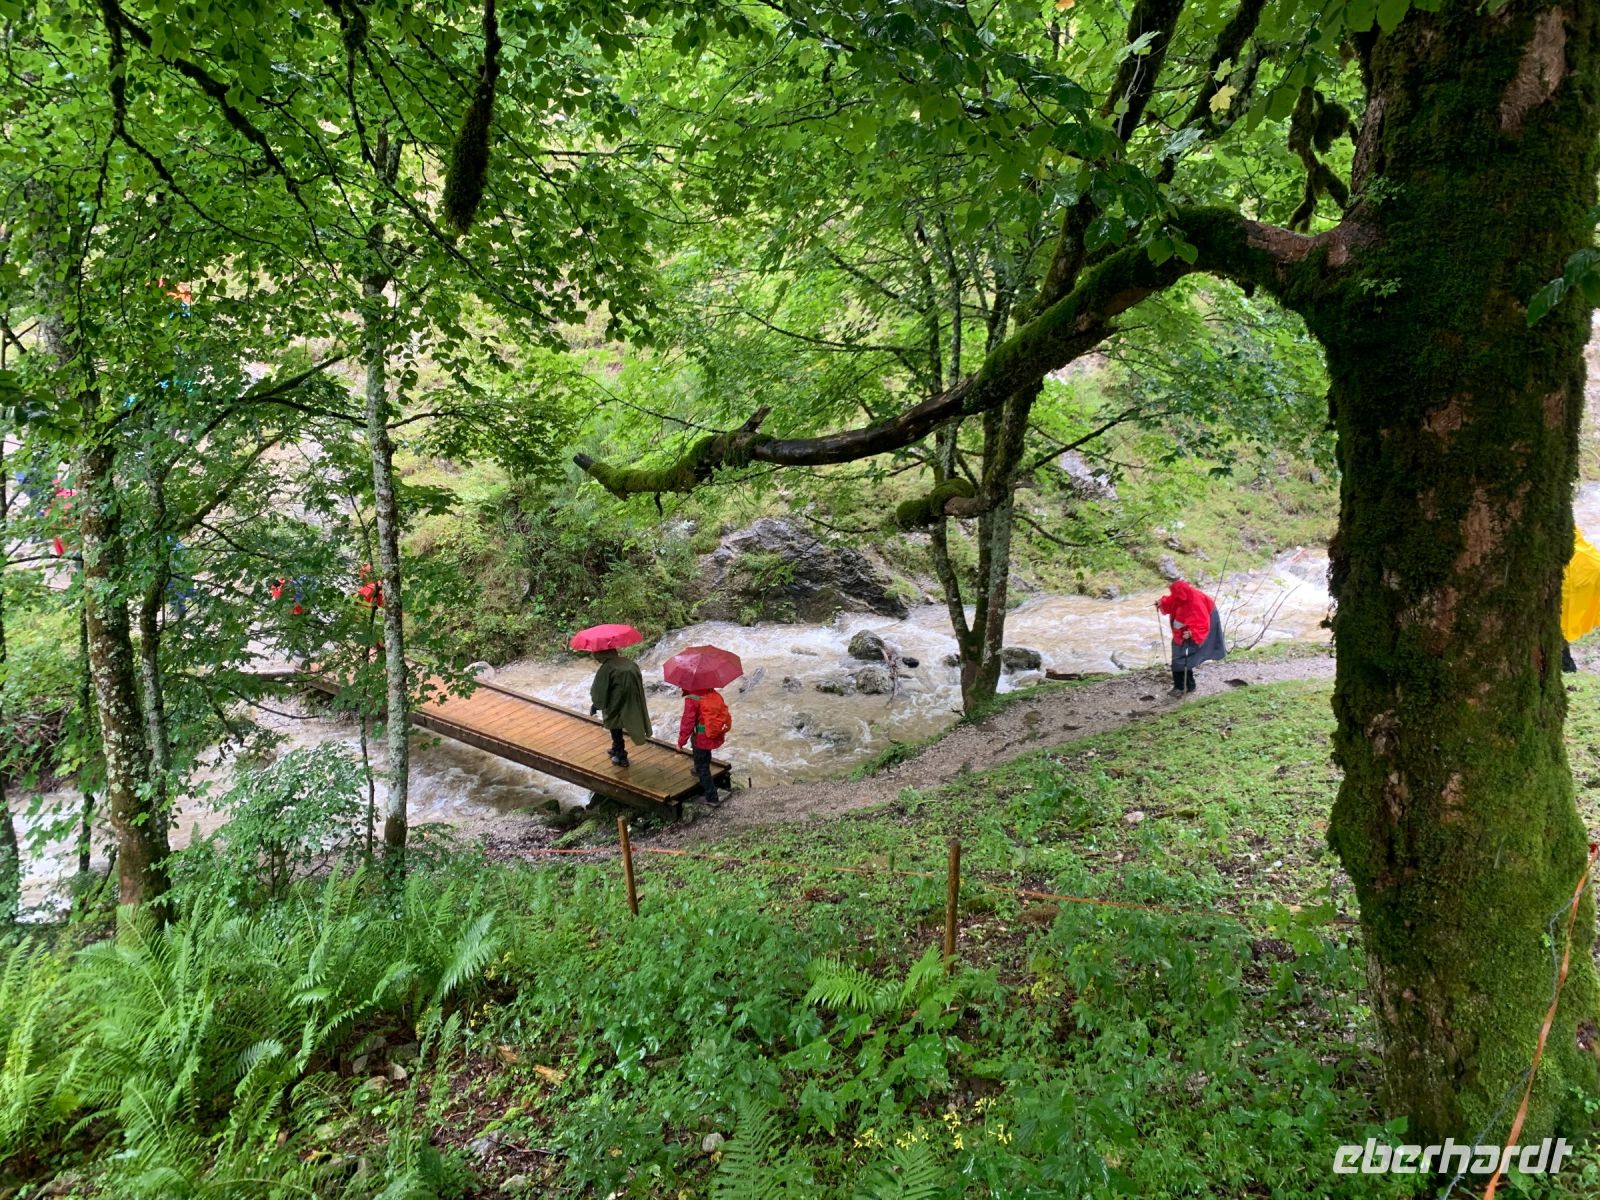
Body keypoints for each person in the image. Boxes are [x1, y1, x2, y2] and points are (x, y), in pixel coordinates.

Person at [1156, 579, 1225, 695]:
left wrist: (1192, 633)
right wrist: (1162, 603)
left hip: (1195, 629)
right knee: (1182, 656)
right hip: (1183, 628)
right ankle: (1189, 685)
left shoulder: (1196, 602)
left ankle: (1180, 687)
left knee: (1180, 658)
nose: (1174, 596)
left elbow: (1202, 622)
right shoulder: (1181, 595)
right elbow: (1173, 600)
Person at [589, 648, 651, 767]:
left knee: (615, 726)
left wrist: (596, 705)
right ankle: (616, 748)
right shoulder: (629, 663)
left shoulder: (607, 668)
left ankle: (620, 754)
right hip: (633, 699)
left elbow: (599, 690)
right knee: (629, 721)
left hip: (615, 702)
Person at [676, 687, 731, 806]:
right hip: (711, 734)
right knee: (704, 756)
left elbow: (687, 722)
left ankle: (711, 797)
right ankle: (698, 769)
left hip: (700, 737)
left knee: (702, 767)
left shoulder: (692, 699)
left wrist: (681, 742)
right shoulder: (712, 692)